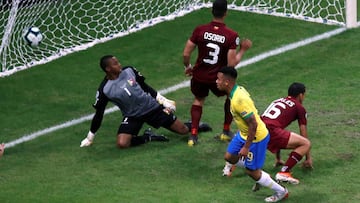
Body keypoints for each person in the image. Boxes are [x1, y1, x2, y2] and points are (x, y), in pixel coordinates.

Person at [80, 55, 193, 149]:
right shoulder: (105, 89)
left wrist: (163, 100)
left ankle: (196, 124)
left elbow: (146, 87)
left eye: (118, 62)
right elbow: (99, 113)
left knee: (183, 130)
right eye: (115, 64)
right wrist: (90, 137)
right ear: (108, 69)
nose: (119, 65)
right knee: (122, 143)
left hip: (151, 108)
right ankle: (148, 137)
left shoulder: (129, 71)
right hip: (132, 115)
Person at [182, 0, 252, 146]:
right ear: (226, 13)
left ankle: (193, 135)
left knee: (198, 100)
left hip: (200, 74)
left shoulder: (200, 30)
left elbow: (186, 53)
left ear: (211, 11)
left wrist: (188, 66)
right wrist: (243, 50)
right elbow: (231, 65)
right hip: (218, 77)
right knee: (230, 96)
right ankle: (226, 132)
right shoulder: (231, 35)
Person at [217, 67, 288, 202]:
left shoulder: (239, 100)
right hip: (243, 134)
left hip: (256, 137)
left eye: (218, 79)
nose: (216, 82)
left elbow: (253, 124)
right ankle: (258, 172)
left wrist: (246, 147)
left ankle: (282, 191)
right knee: (229, 156)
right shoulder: (235, 91)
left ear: (226, 82)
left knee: (251, 172)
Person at [260, 82, 312, 184]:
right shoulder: (299, 107)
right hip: (272, 130)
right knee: (305, 143)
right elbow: (303, 132)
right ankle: (284, 172)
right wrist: (308, 158)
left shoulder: (278, 100)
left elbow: (278, 128)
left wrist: (278, 158)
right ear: (301, 95)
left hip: (258, 129)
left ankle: (232, 164)